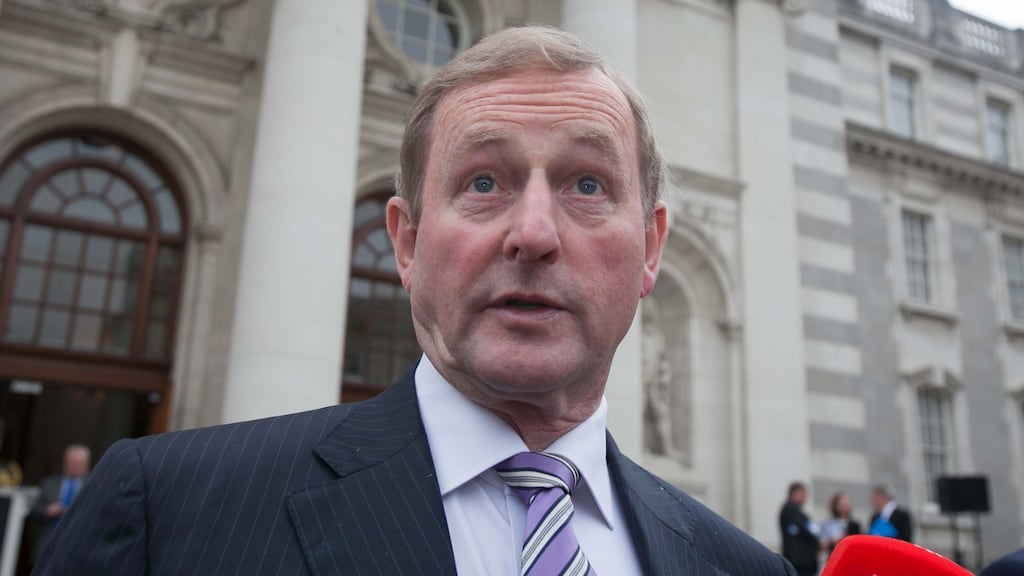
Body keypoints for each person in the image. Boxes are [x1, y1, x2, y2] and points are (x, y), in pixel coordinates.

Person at [36, 26, 796, 575]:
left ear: (652, 248)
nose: (533, 234)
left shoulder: (742, 567)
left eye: (588, 184)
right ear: (406, 242)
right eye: (484, 182)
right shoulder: (168, 513)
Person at [31, 444, 90, 563]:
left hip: (78, 544)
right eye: (72, 463)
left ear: (86, 465)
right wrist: (47, 511)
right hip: (49, 541)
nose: (74, 466)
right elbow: (34, 509)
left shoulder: (93, 486)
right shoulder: (49, 483)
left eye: (78, 463)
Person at [779, 482, 822, 576]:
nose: (805, 498)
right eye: (803, 495)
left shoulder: (796, 511)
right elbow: (805, 530)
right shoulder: (790, 509)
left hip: (802, 562)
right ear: (794, 494)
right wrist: (818, 542)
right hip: (799, 561)